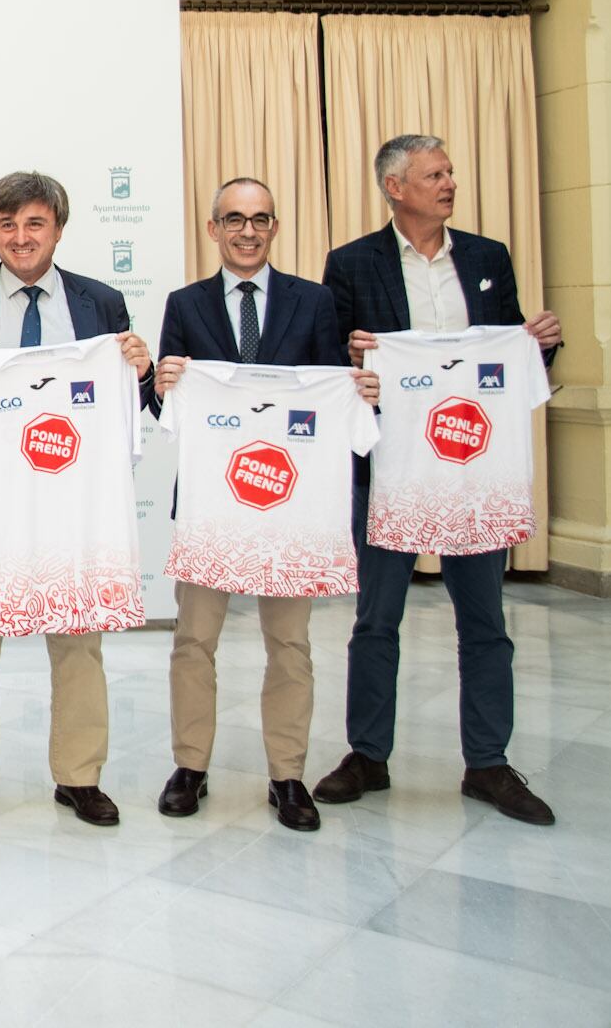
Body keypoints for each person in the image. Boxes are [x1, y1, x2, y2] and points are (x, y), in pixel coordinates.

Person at [314, 134, 563, 825]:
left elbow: (507, 349)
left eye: (451, 172)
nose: (449, 182)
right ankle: (368, 754)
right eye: (434, 174)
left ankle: (488, 762)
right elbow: (332, 357)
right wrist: (354, 355)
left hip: (472, 470)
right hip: (391, 468)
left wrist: (539, 340)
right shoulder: (353, 263)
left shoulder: (486, 258)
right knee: (376, 621)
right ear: (395, 187)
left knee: (486, 621)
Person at [0, 170, 153, 828]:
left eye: (34, 223)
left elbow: (137, 400)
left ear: (58, 227)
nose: (20, 237)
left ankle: (79, 776)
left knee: (79, 641)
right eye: (7, 224)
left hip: (73, 505)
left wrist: (139, 365)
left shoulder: (102, 302)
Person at [150, 177, 378, 832]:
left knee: (291, 643)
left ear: (275, 227)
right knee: (194, 640)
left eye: (259, 219)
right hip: (210, 508)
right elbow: (167, 407)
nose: (247, 231)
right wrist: (162, 385)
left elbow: (333, 390)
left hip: (290, 508)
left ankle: (288, 775)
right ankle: (190, 765)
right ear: (214, 228)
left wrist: (357, 388)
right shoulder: (185, 303)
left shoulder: (313, 301)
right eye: (234, 220)